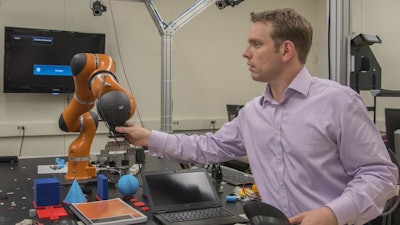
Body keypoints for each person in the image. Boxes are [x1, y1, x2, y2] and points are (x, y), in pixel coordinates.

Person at [116, 8, 398, 225]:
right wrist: (148, 137)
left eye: (256, 44)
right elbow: (208, 148)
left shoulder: (338, 101)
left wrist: (331, 214)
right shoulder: (252, 113)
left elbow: (381, 175)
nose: (245, 52)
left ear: (286, 50)